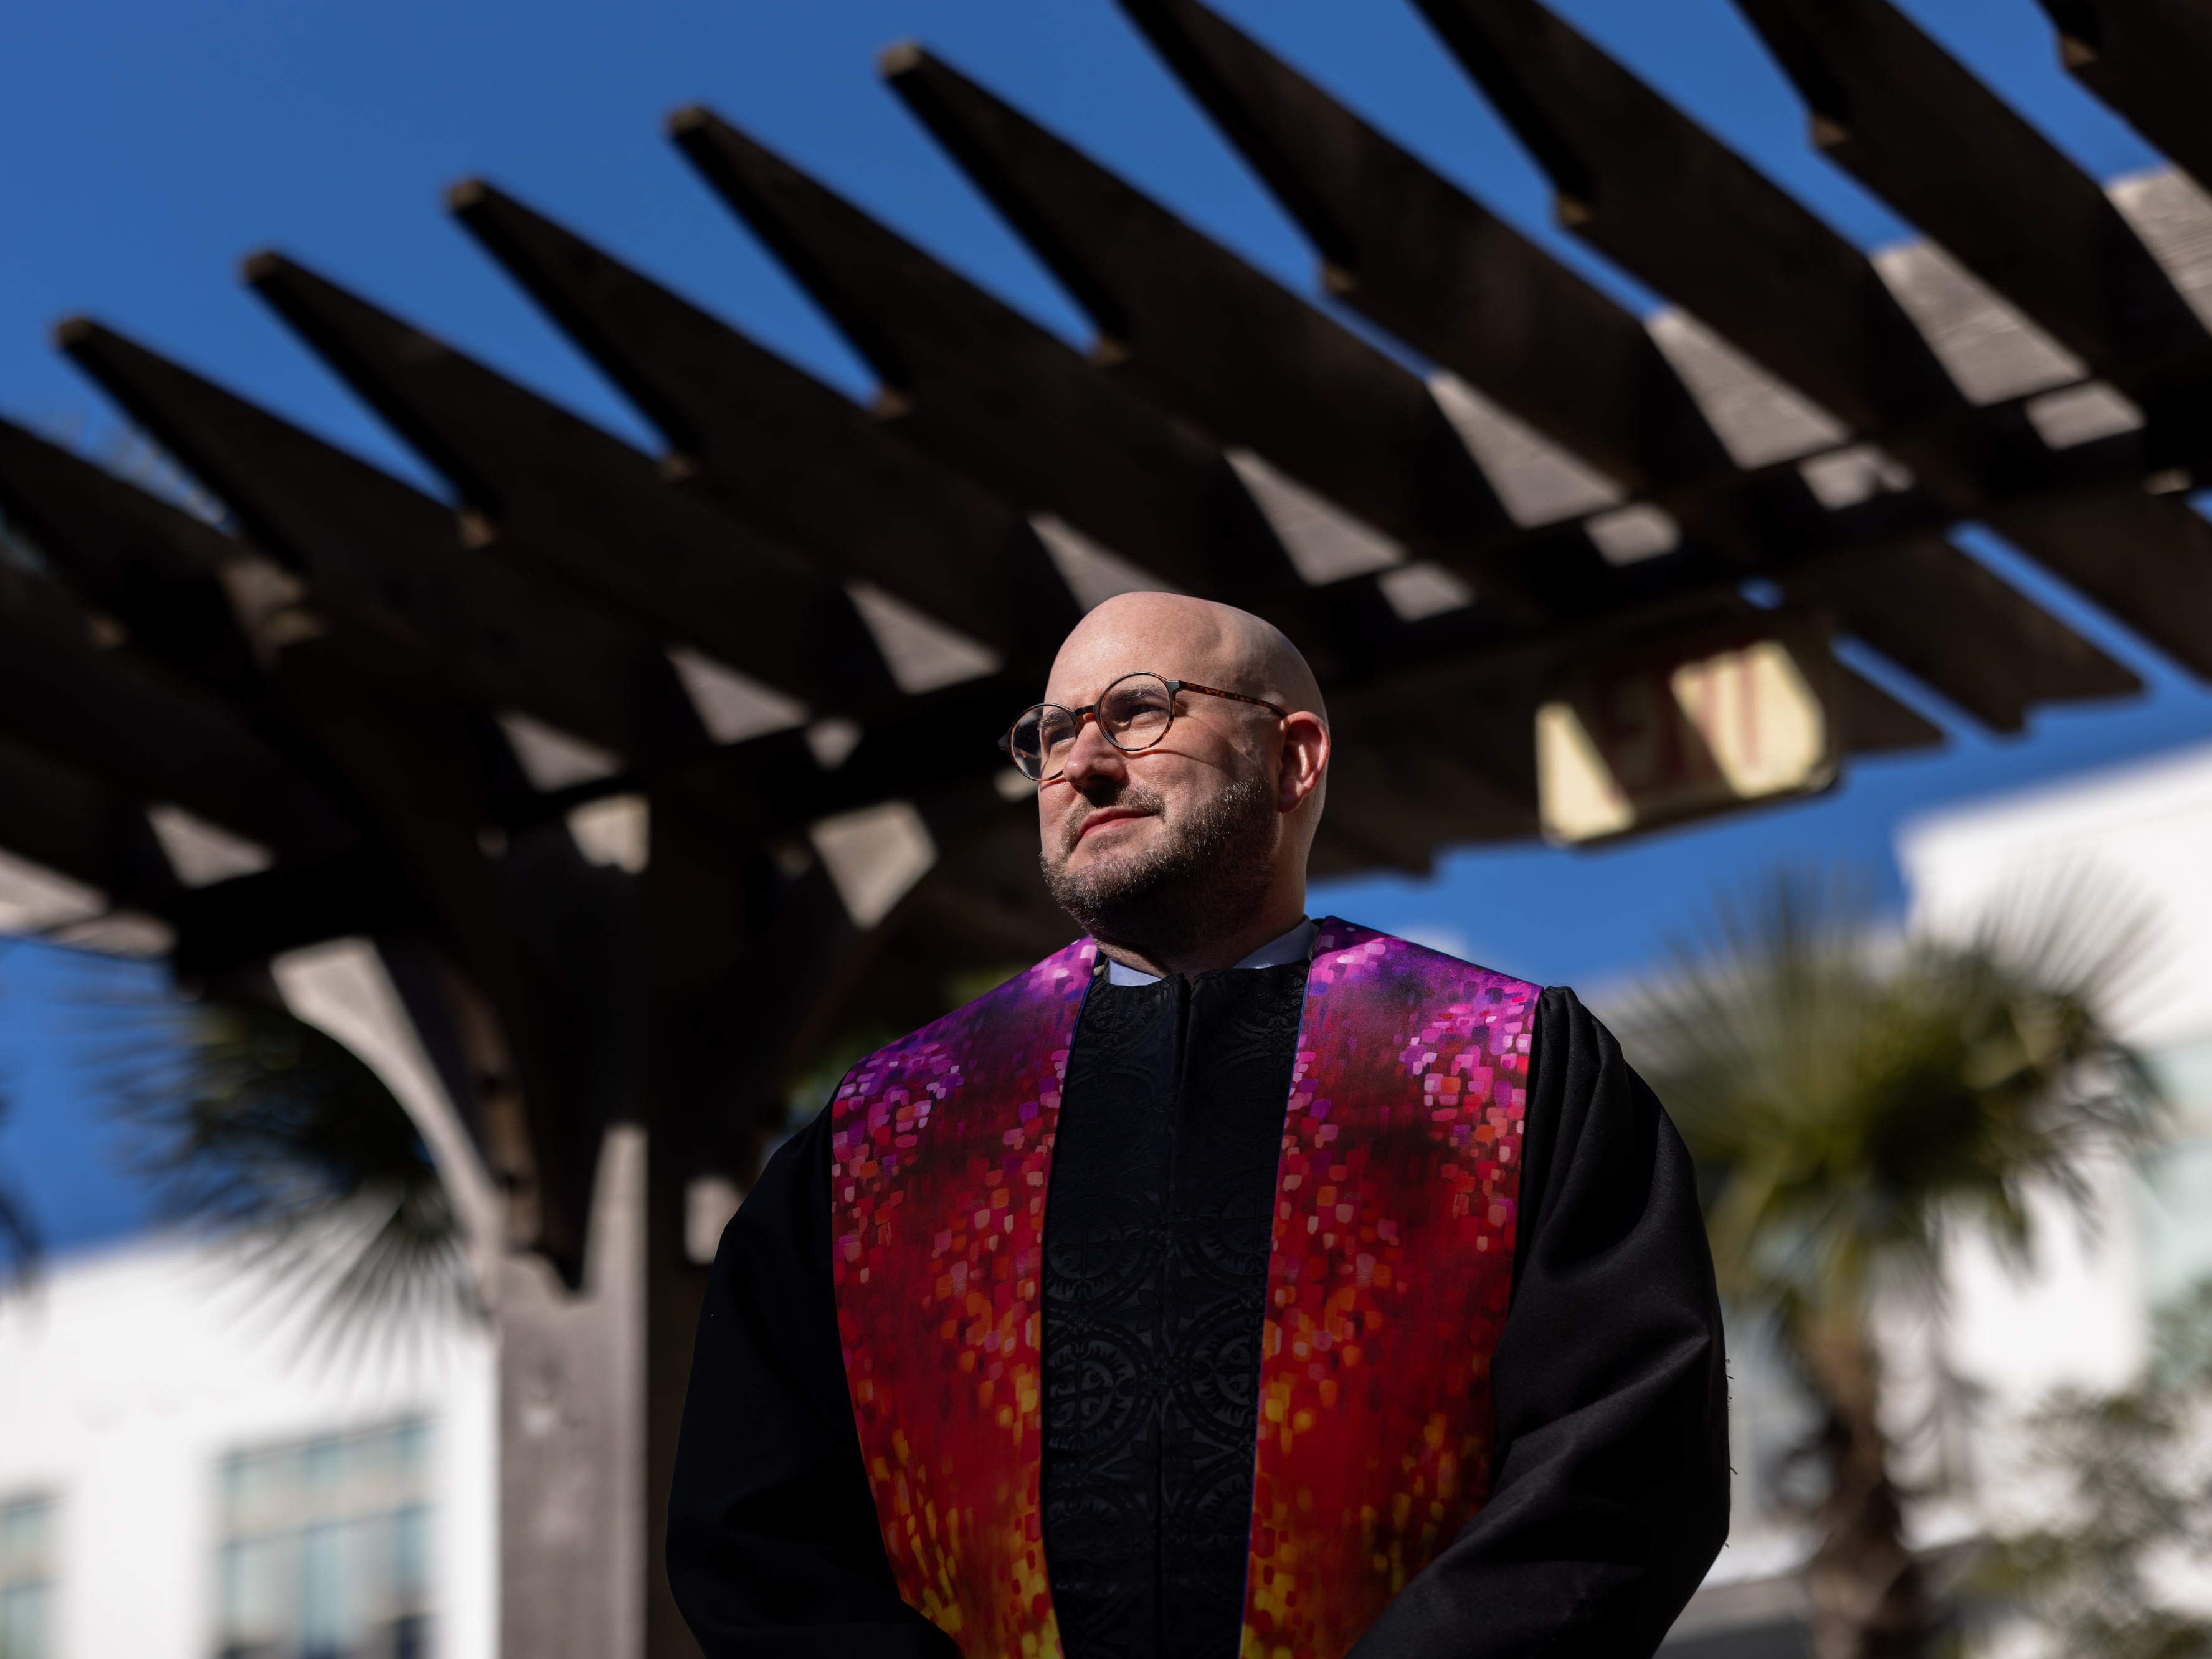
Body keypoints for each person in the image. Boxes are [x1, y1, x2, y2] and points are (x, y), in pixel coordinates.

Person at [668, 594, 1730, 1659]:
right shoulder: (889, 1135)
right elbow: (758, 1535)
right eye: (1050, 732)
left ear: (1294, 760)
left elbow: (1625, 1463)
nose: (1080, 762)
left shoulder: (1504, 1070)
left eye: (1138, 712)